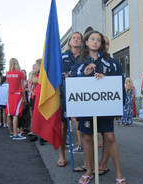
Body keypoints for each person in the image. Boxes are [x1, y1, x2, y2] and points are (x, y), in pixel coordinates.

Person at [72, 30, 126, 184]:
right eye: (92, 39)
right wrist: (84, 73)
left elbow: (118, 83)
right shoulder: (80, 62)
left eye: (98, 40)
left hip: (106, 107)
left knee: (110, 137)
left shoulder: (112, 62)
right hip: (86, 108)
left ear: (101, 44)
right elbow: (73, 82)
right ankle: (89, 170)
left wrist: (118, 106)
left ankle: (119, 174)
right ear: (87, 42)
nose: (95, 42)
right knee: (87, 137)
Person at [57, 31, 83, 167]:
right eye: (74, 38)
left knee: (83, 125)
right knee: (63, 126)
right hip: (64, 94)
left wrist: (71, 74)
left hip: (81, 96)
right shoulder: (62, 57)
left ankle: (87, 159)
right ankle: (61, 154)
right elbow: (59, 74)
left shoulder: (85, 57)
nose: (76, 40)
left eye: (79, 38)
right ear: (69, 41)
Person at [6, 58, 27, 140]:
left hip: (10, 95)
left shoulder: (7, 73)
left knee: (9, 113)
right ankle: (15, 134)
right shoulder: (20, 73)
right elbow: (22, 86)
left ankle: (11, 132)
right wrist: (24, 97)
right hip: (17, 95)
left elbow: (10, 84)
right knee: (16, 114)